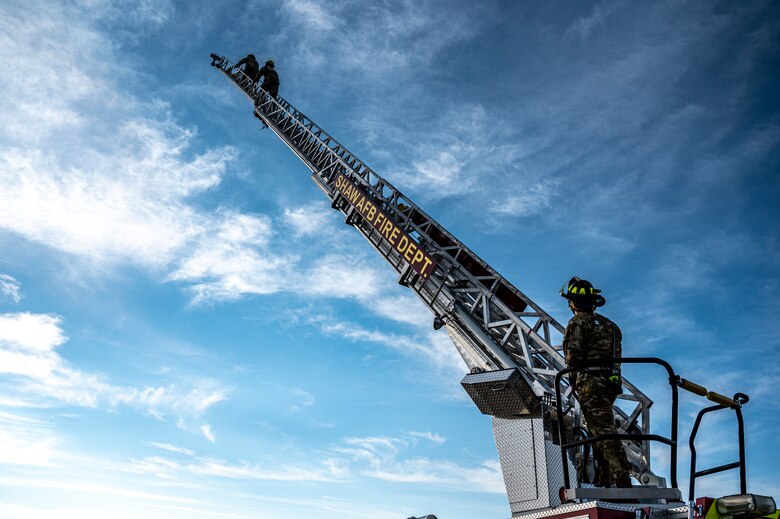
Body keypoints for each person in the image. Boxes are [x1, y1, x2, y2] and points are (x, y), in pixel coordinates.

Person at [561, 276, 632, 489]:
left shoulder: (576, 323)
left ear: (572, 302)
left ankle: (622, 479)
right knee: (596, 429)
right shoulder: (612, 327)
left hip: (589, 384)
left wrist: (575, 382)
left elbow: (572, 358)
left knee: (604, 431)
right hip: (610, 383)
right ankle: (604, 479)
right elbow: (616, 359)